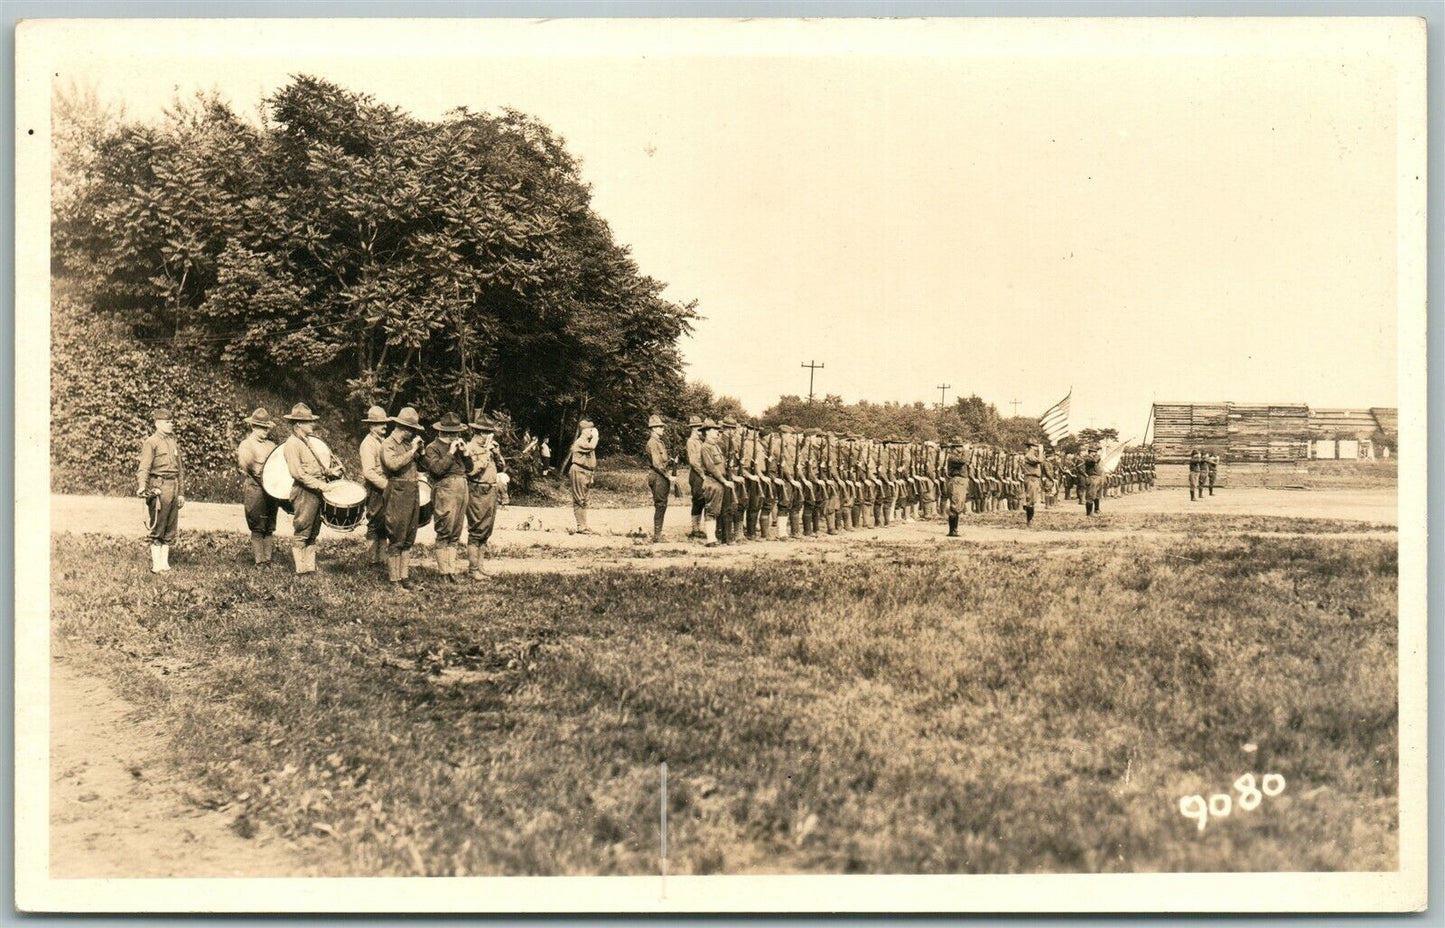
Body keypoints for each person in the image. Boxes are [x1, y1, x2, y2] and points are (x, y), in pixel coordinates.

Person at [282, 403, 342, 575]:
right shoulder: (292, 444)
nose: (312, 425)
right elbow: (298, 474)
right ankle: (300, 570)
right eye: (308, 422)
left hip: (315, 491)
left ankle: (309, 567)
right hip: (304, 492)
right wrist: (321, 485)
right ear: (298, 424)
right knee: (303, 530)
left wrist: (329, 472)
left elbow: (313, 468)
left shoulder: (306, 441)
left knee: (314, 531)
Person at [381, 407, 426, 589]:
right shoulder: (388, 444)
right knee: (397, 536)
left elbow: (423, 466)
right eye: (412, 429)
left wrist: (420, 452)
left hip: (411, 491)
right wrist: (412, 450)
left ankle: (405, 578)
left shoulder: (409, 444)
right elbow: (393, 464)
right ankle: (394, 580)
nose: (413, 433)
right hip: (397, 491)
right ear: (403, 428)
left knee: (408, 537)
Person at [137, 406, 184, 573]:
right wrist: (143, 487)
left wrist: (181, 493)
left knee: (170, 526)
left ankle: (165, 564)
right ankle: (156, 564)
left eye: (172, 421)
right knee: (159, 524)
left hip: (173, 486)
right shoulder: (151, 442)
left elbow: (180, 471)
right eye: (167, 422)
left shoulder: (173, 442)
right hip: (159, 486)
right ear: (157, 424)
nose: (171, 424)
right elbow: (144, 467)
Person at [424, 412, 470, 582]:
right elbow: (436, 470)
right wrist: (451, 453)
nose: (454, 436)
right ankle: (444, 573)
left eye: (456, 433)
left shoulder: (458, 447)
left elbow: (470, 469)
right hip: (445, 489)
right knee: (445, 530)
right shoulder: (432, 448)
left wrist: (465, 454)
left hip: (461, 488)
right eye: (451, 433)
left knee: (456, 532)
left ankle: (451, 571)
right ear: (442, 432)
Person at [464, 413, 506, 580]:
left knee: (486, 531)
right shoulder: (469, 448)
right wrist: (485, 456)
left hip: (491, 491)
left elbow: (502, 467)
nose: (491, 436)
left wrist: (496, 453)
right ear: (480, 432)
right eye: (489, 433)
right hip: (478, 491)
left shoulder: (489, 449)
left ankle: (480, 567)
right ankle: (473, 569)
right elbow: (471, 471)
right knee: (476, 531)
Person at [235, 407, 278, 567]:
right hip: (256, 489)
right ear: (253, 427)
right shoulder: (246, 445)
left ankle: (268, 560)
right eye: (261, 427)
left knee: (269, 526)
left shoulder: (272, 445)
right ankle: (259, 561)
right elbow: (251, 468)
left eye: (266, 427)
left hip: (272, 491)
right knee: (258, 526)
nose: (265, 431)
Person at [358, 405, 391, 567]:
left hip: (384, 487)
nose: (384, 426)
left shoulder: (382, 441)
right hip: (376, 489)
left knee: (384, 523)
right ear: (371, 426)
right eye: (380, 424)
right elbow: (369, 473)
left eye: (385, 423)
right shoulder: (368, 444)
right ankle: (372, 561)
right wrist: (387, 485)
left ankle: (381, 559)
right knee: (373, 523)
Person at [698, 419, 733, 546]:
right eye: (714, 430)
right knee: (712, 511)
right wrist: (724, 481)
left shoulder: (715, 446)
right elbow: (711, 467)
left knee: (722, 510)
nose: (717, 432)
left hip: (720, 481)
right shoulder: (705, 447)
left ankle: (722, 538)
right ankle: (711, 539)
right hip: (713, 481)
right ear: (707, 432)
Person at [645, 414, 671, 543]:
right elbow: (656, 464)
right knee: (660, 505)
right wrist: (668, 476)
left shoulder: (659, 442)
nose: (663, 429)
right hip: (658, 476)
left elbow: (662, 461)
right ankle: (657, 535)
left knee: (662, 504)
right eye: (660, 427)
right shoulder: (652, 443)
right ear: (654, 428)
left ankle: (658, 533)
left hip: (661, 476)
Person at [685, 415, 707, 540]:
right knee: (698, 500)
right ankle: (695, 529)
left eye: (700, 427)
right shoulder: (691, 442)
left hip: (702, 473)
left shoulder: (701, 440)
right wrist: (702, 474)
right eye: (697, 427)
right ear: (693, 429)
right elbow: (693, 461)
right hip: (697, 474)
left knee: (704, 500)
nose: (699, 429)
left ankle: (699, 528)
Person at [944, 438, 970, 537]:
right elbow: (964, 460)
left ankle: (955, 530)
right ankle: (952, 531)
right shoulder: (951, 457)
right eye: (959, 446)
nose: (961, 448)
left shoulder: (957, 456)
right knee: (955, 506)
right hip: (956, 481)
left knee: (959, 506)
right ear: (954, 448)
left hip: (960, 481)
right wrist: (966, 450)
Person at [1022, 441, 1045, 526]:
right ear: (1031, 447)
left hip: (1034, 478)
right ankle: (1029, 521)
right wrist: (1041, 451)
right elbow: (1040, 460)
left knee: (1032, 500)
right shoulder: (1029, 455)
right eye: (1036, 447)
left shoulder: (1032, 455)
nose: (1037, 449)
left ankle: (1031, 519)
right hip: (1031, 478)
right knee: (1030, 500)